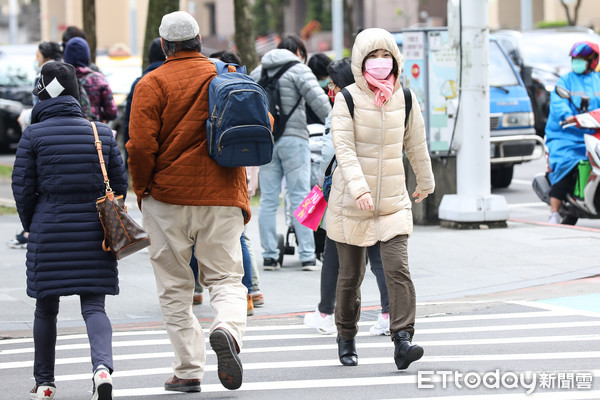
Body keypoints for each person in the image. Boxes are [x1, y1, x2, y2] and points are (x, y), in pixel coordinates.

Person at [126, 11, 247, 392]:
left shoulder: (152, 83)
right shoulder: (226, 74)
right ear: (198, 40)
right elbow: (265, 123)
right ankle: (227, 327)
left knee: (175, 288)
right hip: (223, 194)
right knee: (226, 277)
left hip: (168, 198)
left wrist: (142, 190)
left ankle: (188, 370)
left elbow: (140, 146)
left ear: (164, 45)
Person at [12, 61, 127, 400]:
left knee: (46, 308)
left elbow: (22, 189)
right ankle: (102, 369)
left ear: (42, 94)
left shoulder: (33, 136)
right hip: (95, 232)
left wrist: (33, 224)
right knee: (94, 306)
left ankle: (45, 383)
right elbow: (119, 185)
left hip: (48, 228)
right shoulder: (101, 134)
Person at [326, 28, 434, 369]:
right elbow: (343, 148)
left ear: (395, 60)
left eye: (385, 56)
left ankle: (403, 340)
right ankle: (346, 335)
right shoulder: (346, 99)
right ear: (360, 61)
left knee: (397, 269)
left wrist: (426, 181)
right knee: (349, 278)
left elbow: (416, 143)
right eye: (372, 57)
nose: (379, 63)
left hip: (392, 202)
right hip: (351, 203)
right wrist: (359, 188)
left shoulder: (405, 97)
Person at [304, 58, 391, 336]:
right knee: (377, 252)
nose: (330, 89)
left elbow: (330, 156)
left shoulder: (342, 108)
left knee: (333, 255)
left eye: (332, 84)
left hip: (345, 194)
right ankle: (389, 313)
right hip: (375, 188)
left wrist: (321, 189)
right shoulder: (377, 104)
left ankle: (326, 314)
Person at [250, 34, 331, 271]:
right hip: (295, 141)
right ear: (299, 54)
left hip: (267, 142)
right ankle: (307, 255)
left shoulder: (257, 73)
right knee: (299, 197)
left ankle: (269, 256)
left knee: (268, 200)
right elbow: (322, 106)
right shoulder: (299, 70)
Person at [545, 41, 600, 224]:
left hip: (591, 134)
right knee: (567, 164)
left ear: (592, 61)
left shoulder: (597, 81)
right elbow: (558, 103)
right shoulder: (565, 81)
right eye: (575, 59)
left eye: (582, 59)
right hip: (566, 137)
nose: (577, 62)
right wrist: (568, 117)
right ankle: (554, 211)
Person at [123, 37, 165, 169]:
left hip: (149, 155)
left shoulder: (139, 83)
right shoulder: (177, 81)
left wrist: (128, 158)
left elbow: (129, 124)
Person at [63, 37, 117, 122]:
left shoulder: (61, 78)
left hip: (67, 130)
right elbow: (112, 112)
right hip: (93, 130)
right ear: (87, 55)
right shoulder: (98, 79)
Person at [306, 52, 333, 124]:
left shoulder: (338, 88)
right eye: (320, 79)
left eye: (325, 77)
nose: (324, 82)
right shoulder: (312, 94)